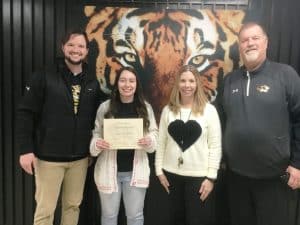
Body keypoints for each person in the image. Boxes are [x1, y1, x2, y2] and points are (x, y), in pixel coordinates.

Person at [16, 29, 106, 225]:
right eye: (71, 45)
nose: (76, 50)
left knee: (73, 206)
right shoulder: (43, 76)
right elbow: (25, 113)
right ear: (63, 47)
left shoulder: (92, 81)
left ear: (87, 51)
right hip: (48, 159)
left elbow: (97, 117)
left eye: (81, 46)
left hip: (80, 160)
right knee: (45, 210)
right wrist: (25, 150)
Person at [222, 22, 300, 225]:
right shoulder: (230, 80)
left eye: (255, 38)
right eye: (245, 40)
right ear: (239, 46)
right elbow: (218, 119)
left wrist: (298, 164)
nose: (250, 43)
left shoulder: (286, 75)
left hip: (275, 178)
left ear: (266, 42)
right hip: (236, 178)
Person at [89, 67, 158, 225]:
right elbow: (96, 134)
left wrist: (149, 141)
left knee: (135, 217)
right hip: (108, 171)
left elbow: (154, 134)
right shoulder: (105, 107)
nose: (127, 84)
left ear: (137, 84)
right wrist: (97, 144)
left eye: (131, 81)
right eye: (123, 80)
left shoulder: (145, 108)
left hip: (135, 171)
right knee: (109, 216)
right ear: (117, 83)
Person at [155, 64, 222, 225]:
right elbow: (161, 142)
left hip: (199, 180)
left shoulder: (209, 111)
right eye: (183, 81)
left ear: (197, 84)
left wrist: (211, 178)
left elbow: (215, 146)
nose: (187, 85)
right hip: (170, 177)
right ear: (178, 83)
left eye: (191, 81)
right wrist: (159, 171)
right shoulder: (167, 111)